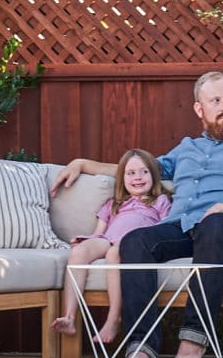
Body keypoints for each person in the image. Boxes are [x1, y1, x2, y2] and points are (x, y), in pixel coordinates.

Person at [54, 71, 223, 358]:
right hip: (183, 226)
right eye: (215, 101)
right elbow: (136, 170)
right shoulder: (186, 148)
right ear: (200, 109)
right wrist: (83, 164)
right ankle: (141, 346)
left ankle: (193, 340)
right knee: (135, 241)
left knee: (215, 223)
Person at [51, 147, 173, 344]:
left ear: (154, 175)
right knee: (80, 251)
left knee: (115, 253)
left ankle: (114, 317)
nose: (138, 177)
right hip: (108, 239)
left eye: (144, 172)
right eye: (131, 173)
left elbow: (164, 230)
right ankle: (70, 317)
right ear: (122, 178)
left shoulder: (159, 201)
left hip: (133, 244)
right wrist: (87, 240)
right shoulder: (114, 203)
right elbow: (100, 232)